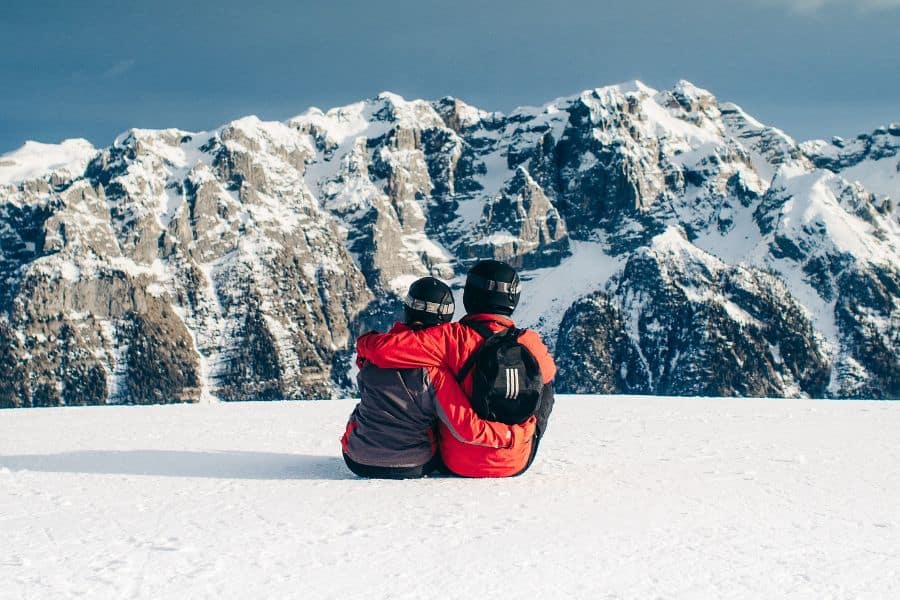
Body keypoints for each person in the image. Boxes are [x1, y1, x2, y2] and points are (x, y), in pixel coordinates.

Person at [356, 260, 557, 477]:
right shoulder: (530, 341)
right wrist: (518, 434)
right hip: (516, 459)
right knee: (545, 385)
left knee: (432, 381)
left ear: (469, 295)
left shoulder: (451, 337)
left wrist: (367, 340)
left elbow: (383, 351)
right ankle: (517, 443)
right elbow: (548, 376)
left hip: (457, 462)